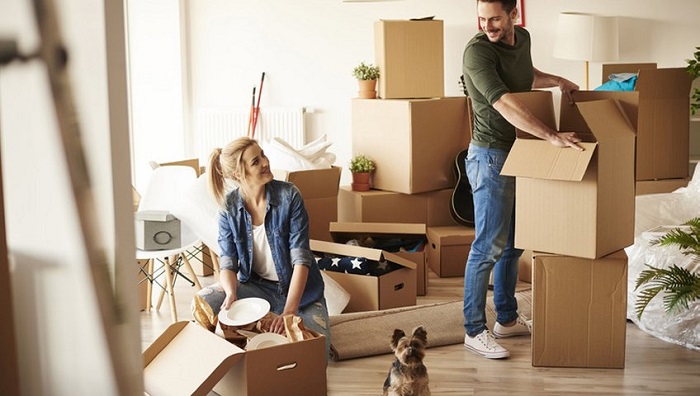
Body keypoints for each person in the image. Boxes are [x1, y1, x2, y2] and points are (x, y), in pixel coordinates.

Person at [461, 0, 583, 359]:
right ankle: (473, 329)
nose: (488, 26)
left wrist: (557, 80)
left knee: (513, 245)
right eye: (482, 19)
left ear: (514, 15)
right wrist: (551, 136)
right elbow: (504, 102)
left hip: (519, 152)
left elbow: (524, 76)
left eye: (495, 18)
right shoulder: (476, 52)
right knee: (487, 247)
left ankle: (507, 319)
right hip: (490, 157)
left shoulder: (523, 38)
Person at [194, 136, 331, 358]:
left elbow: (301, 260)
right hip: (257, 289)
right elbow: (228, 261)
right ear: (238, 174)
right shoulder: (228, 208)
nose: (265, 162)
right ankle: (237, 351)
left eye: (263, 155)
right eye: (255, 162)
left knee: (315, 354)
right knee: (205, 301)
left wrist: (288, 312)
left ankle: (266, 326)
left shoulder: (289, 196)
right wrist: (230, 294)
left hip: (302, 295)